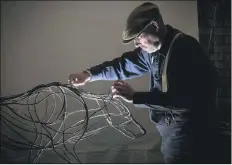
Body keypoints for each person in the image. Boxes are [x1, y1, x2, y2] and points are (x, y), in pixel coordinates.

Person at [69, 2, 219, 163]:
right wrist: (88, 75)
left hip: (191, 135)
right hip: (172, 134)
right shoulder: (151, 52)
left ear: (154, 25)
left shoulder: (184, 49)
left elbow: (184, 100)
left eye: (139, 36)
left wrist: (135, 97)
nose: (137, 43)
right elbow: (122, 66)